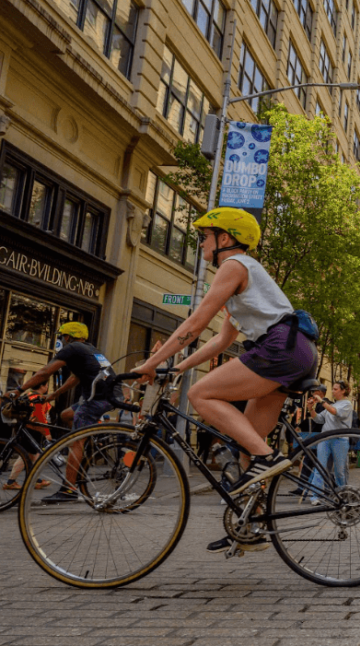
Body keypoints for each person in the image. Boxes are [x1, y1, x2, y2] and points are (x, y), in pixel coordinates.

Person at [131, 207, 319, 553]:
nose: (200, 244)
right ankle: (253, 525)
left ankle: (268, 458)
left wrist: (152, 362)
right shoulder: (241, 279)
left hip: (279, 348)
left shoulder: (234, 266)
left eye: (204, 237)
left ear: (225, 239)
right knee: (251, 442)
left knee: (201, 396)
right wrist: (176, 369)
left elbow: (195, 324)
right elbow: (221, 341)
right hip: (296, 350)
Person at [3, 321, 122, 503]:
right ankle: (87, 443)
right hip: (109, 396)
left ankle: (69, 490)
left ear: (68, 336)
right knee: (66, 415)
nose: (61, 340)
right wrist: (52, 396)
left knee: (75, 440)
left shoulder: (72, 348)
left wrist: (19, 390)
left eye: (61, 337)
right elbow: (75, 378)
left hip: (98, 399)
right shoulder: (90, 349)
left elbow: (45, 372)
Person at [2, 382, 52, 491]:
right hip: (34, 430)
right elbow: (40, 415)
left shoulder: (28, 395)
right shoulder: (38, 398)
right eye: (46, 385)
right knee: (27, 456)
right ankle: (12, 482)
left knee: (32, 456)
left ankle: (34, 480)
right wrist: (47, 433)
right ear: (42, 386)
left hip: (26, 429)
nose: (47, 387)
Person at [308, 381, 352, 505]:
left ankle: (341, 495)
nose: (332, 391)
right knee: (320, 468)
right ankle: (315, 496)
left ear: (343, 391)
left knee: (339, 471)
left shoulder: (347, 404)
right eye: (333, 389)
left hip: (340, 440)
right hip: (325, 439)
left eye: (335, 389)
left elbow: (335, 412)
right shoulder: (332, 404)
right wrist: (310, 408)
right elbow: (318, 419)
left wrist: (322, 401)